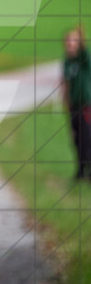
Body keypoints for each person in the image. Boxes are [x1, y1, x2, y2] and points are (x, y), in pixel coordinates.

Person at [62, 27, 91, 180]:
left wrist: (81, 35)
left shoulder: (84, 58)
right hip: (74, 106)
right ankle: (80, 169)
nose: (70, 44)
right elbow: (65, 83)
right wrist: (65, 102)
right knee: (76, 139)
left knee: (87, 138)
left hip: (86, 105)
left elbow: (85, 49)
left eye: (73, 41)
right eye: (68, 41)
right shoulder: (67, 61)